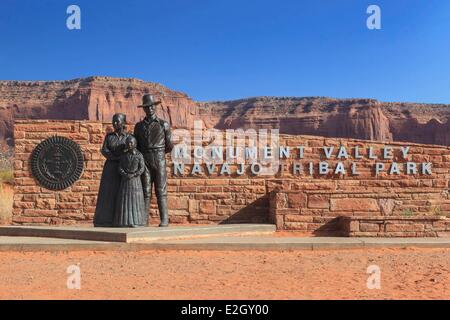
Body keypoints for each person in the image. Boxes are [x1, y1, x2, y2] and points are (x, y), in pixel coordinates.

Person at [134, 94, 174, 227]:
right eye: (146, 107)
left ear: (155, 107)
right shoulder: (138, 126)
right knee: (145, 190)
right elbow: (136, 145)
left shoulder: (164, 124)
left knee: (161, 190)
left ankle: (164, 219)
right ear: (144, 109)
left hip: (159, 158)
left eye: (151, 106)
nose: (149, 109)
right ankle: (144, 220)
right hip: (145, 160)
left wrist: (159, 153)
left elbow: (169, 145)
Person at [94, 113, 130, 227]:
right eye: (113, 121)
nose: (114, 124)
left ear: (123, 123)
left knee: (121, 193)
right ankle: (105, 220)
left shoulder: (129, 137)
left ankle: (121, 220)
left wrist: (122, 159)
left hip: (123, 168)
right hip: (110, 167)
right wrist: (115, 158)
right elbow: (104, 150)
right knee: (108, 193)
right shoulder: (109, 137)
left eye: (117, 121)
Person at [113, 135, 147, 227]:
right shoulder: (124, 156)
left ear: (135, 144)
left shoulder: (139, 155)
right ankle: (124, 222)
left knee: (136, 201)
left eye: (131, 142)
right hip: (125, 181)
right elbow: (120, 168)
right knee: (125, 201)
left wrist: (134, 174)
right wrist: (125, 174)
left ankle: (137, 221)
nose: (129, 144)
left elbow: (142, 168)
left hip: (136, 181)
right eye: (128, 143)